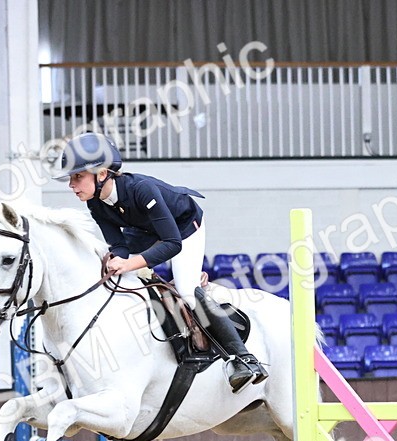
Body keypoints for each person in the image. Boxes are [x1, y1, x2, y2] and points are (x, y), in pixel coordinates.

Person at [54, 132, 268, 392]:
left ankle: (243, 359)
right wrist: (119, 260)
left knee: (187, 291)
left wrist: (130, 263)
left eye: (77, 177)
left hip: (183, 227)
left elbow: (172, 243)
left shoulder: (142, 189)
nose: (71, 185)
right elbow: (119, 245)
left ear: (101, 174)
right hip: (144, 231)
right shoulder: (95, 204)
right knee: (119, 275)